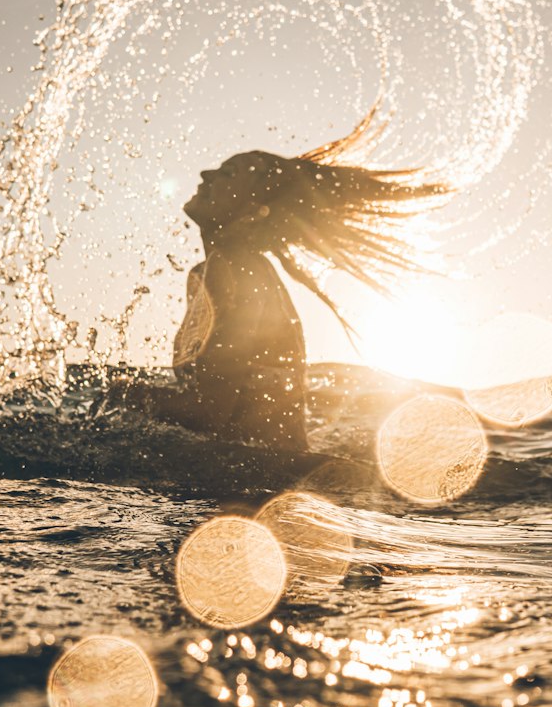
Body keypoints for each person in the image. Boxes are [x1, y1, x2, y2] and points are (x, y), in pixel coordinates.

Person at [95, 109, 451, 452]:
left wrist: (122, 393)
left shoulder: (234, 269)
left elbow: (209, 412)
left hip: (259, 488)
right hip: (262, 480)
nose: (205, 174)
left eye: (227, 175)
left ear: (251, 213)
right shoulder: (213, 272)